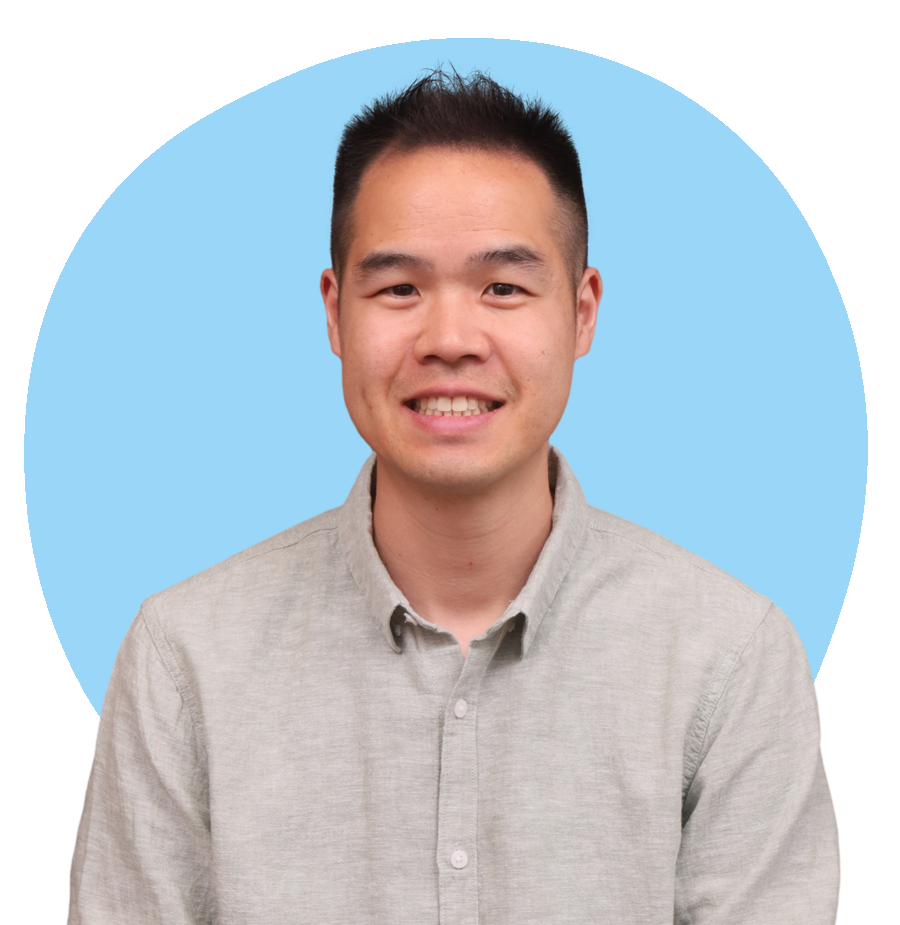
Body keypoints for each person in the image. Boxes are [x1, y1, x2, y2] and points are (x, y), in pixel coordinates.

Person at [68, 68, 841, 923]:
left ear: (583, 313)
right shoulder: (186, 660)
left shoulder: (729, 660)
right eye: (399, 288)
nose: (449, 339)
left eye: (503, 287)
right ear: (334, 313)